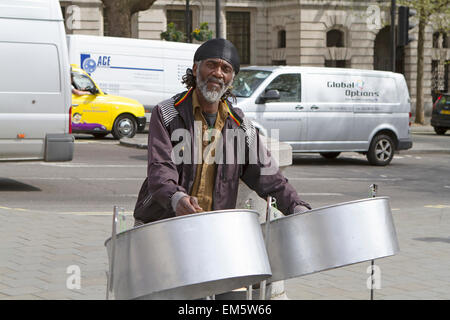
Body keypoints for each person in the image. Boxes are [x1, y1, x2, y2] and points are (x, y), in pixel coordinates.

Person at [133, 38, 311, 226]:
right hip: (161, 224)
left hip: (214, 230)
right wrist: (176, 198)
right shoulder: (167, 113)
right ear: (195, 69)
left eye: (225, 69)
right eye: (211, 65)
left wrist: (296, 207)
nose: (218, 73)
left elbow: (269, 177)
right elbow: (160, 168)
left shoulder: (241, 126)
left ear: (232, 79)